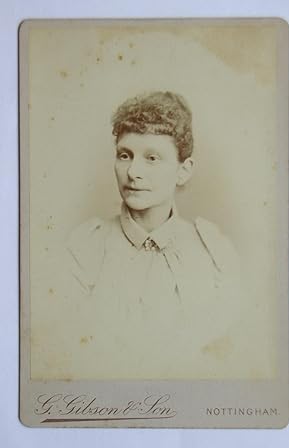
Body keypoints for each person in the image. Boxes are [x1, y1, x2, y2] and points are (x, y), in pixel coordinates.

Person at [66, 91, 249, 379]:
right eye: (125, 155)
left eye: (152, 158)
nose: (133, 172)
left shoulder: (214, 255)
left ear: (183, 171)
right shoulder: (84, 248)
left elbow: (226, 355)